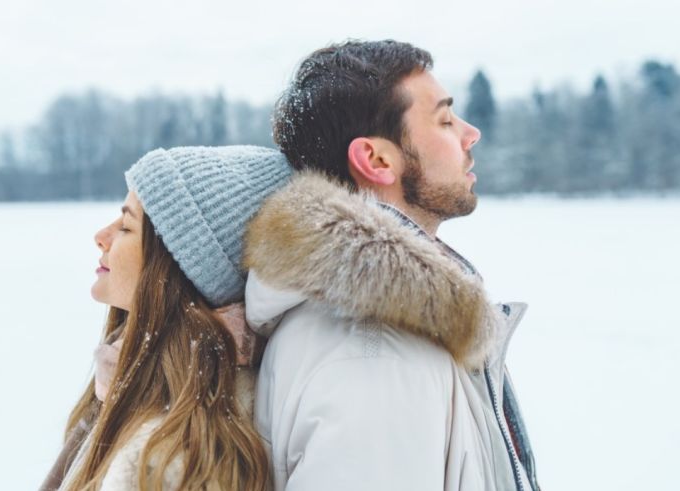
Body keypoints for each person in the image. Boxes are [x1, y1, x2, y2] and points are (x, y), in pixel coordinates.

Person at [242, 40, 540, 490]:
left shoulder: (392, 329)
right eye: (444, 120)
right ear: (377, 160)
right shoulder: (377, 354)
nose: (470, 132)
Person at [40, 146, 292, 491]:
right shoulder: (125, 382)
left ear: (176, 269)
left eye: (126, 227)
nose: (102, 237)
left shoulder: (171, 458)